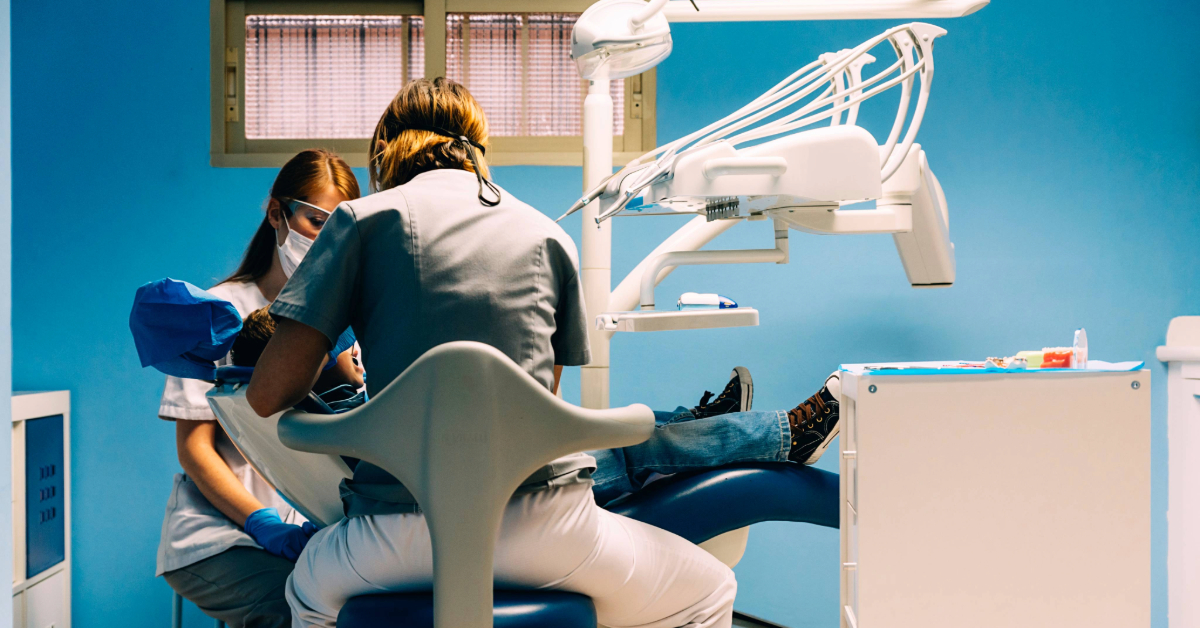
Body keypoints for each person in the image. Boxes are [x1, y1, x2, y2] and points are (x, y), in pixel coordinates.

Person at [245, 78, 742, 628]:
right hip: (542, 530)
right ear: (477, 147)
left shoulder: (358, 223)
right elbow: (539, 399)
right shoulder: (546, 234)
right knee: (710, 590)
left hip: (391, 538)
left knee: (307, 596)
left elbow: (267, 397)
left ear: (384, 151)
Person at [156, 149, 361, 628]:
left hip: (315, 534)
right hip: (219, 536)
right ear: (277, 214)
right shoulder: (218, 314)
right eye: (315, 222)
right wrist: (259, 523)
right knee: (292, 610)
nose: (323, 240)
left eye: (338, 231)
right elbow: (195, 449)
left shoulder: (345, 324)